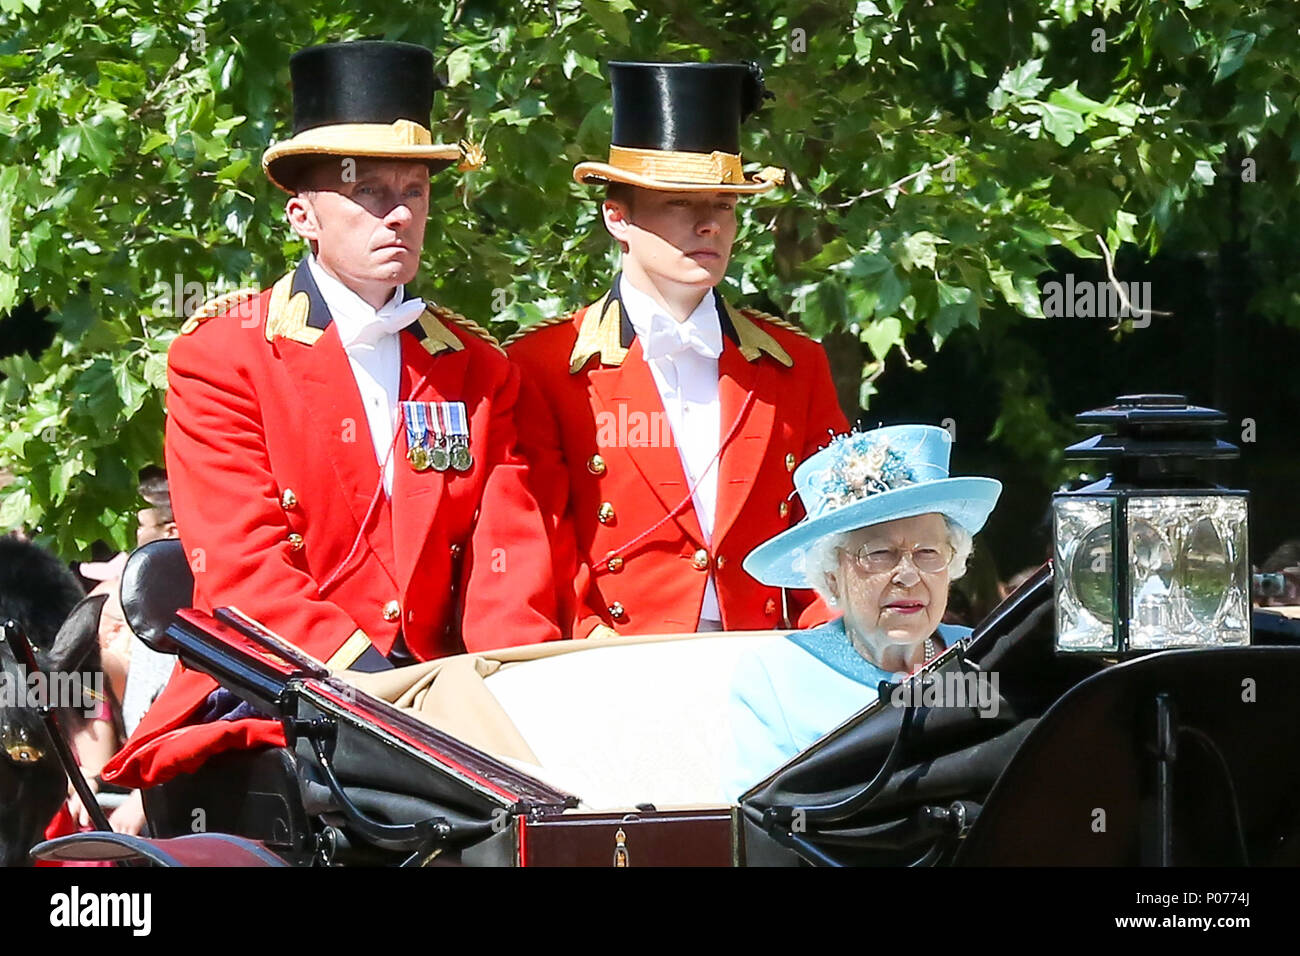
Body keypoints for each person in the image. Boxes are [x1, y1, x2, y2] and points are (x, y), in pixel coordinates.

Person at [103, 40, 561, 792]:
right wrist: (380, 697)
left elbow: (506, 562)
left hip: (447, 704)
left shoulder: (477, 368)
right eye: (372, 192)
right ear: (302, 216)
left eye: (414, 190)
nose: (401, 213)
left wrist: (505, 695)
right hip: (278, 695)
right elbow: (244, 574)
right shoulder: (223, 357)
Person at [507, 60, 849, 638]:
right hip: (611, 665)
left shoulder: (796, 365)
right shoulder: (545, 366)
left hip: (769, 666)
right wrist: (591, 652)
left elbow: (833, 537)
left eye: (722, 205)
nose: (709, 225)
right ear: (617, 216)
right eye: (680, 204)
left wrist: (834, 648)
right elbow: (535, 542)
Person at [723, 424, 1002, 798]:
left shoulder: (985, 657)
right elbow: (753, 825)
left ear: (952, 565)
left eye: (928, 553)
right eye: (879, 554)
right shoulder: (777, 676)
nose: (907, 575)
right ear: (832, 577)